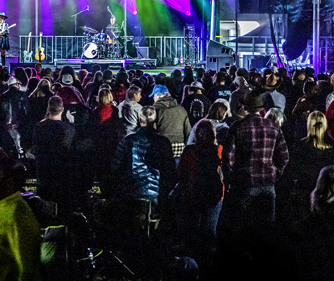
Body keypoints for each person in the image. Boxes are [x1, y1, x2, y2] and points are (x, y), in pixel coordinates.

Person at [222, 93, 289, 225]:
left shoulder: (237, 126)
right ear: (261, 109)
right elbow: (284, 156)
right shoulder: (273, 127)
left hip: (244, 182)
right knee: (266, 225)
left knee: (244, 225)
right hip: (268, 183)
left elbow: (228, 157)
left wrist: (233, 177)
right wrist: (275, 173)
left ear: (245, 108)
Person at [111, 105, 176, 207]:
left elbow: (116, 166)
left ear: (140, 120)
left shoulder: (128, 140)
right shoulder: (163, 142)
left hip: (131, 190)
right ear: (155, 120)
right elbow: (169, 168)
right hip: (156, 192)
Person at [177, 119, 224, 248]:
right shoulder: (219, 150)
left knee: (192, 228)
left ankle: (192, 256)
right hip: (215, 194)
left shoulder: (189, 150)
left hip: (193, 192)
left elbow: (181, 173)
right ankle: (209, 259)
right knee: (209, 230)